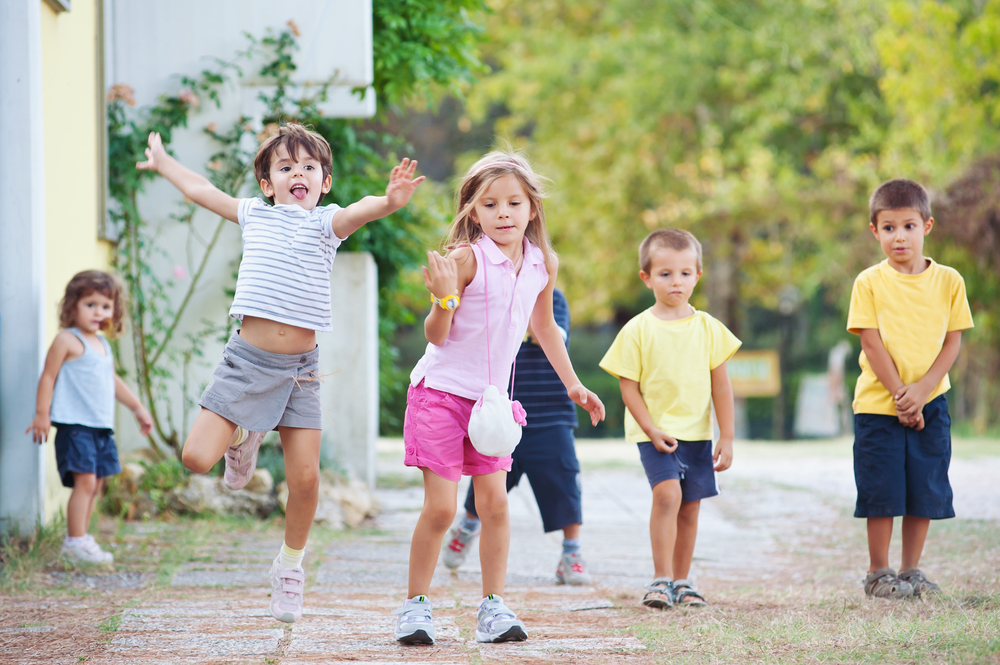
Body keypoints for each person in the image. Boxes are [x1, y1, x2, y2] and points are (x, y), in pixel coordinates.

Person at [136, 122, 423, 622]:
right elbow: (203, 191)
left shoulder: (326, 225)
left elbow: (362, 210)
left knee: (306, 479)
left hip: (300, 373)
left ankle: (290, 567)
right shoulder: (255, 216)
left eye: (309, 167)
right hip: (246, 362)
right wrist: (164, 164)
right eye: (286, 167)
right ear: (267, 185)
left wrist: (392, 200)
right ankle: (245, 433)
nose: (299, 173)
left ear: (324, 182)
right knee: (196, 458)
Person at [392, 151, 606, 645]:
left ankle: (492, 607)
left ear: (532, 207)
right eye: (491, 204)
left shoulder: (542, 263)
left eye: (514, 202)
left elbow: (546, 327)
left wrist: (573, 384)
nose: (504, 213)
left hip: (490, 407)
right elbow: (437, 335)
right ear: (473, 211)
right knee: (443, 510)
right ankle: (414, 608)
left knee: (495, 507)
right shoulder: (466, 260)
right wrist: (444, 298)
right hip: (441, 397)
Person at [599, 229, 740, 609]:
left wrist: (726, 436)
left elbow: (722, 388)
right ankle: (660, 579)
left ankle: (682, 580)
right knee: (667, 495)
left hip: (697, 433)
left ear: (698, 275)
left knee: (690, 506)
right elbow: (629, 389)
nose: (675, 281)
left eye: (684, 273)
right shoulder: (638, 330)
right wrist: (650, 428)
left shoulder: (709, 328)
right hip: (656, 432)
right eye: (665, 274)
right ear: (646, 277)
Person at [847, 179, 973, 599]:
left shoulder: (950, 281)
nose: (898, 236)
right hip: (878, 407)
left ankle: (911, 569)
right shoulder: (869, 282)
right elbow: (870, 340)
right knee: (882, 489)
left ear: (927, 226)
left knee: (925, 487)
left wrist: (922, 392)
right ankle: (879, 572)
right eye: (888, 228)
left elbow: (952, 341)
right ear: (874, 231)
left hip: (931, 403)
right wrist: (903, 394)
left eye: (908, 226)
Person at [441, 288, 592, 586]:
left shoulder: (551, 298)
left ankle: (571, 553)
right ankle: (468, 527)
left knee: (565, 482)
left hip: (551, 414)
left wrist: (513, 308)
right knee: (488, 481)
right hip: (502, 410)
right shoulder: (488, 295)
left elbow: (548, 333)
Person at [27, 271, 153, 564]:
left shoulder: (102, 344)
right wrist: (42, 414)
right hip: (75, 427)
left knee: (96, 484)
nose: (99, 312)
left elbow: (112, 382)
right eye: (91, 305)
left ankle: (81, 537)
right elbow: (48, 376)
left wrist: (137, 408)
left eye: (106, 306)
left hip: (99, 427)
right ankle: (74, 542)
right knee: (84, 483)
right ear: (72, 306)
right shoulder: (66, 340)